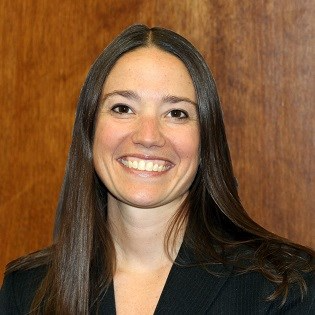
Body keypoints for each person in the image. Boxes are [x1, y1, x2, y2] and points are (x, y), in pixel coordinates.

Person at [0, 24, 314, 315]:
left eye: (176, 113)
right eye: (123, 108)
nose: (148, 136)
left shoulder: (287, 287)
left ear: (206, 140)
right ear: (89, 130)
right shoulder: (26, 290)